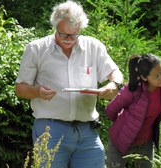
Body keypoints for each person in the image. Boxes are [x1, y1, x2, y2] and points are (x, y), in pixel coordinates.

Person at [15, 1, 123, 167]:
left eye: (74, 35)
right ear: (55, 27)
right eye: (63, 34)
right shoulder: (36, 49)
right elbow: (20, 89)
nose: (69, 40)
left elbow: (115, 73)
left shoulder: (93, 46)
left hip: (87, 132)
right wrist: (37, 91)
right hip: (49, 130)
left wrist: (113, 85)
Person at [105, 53, 161, 168]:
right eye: (156, 76)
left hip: (145, 142)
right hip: (121, 140)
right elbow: (111, 109)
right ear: (145, 77)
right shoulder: (133, 90)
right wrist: (123, 122)